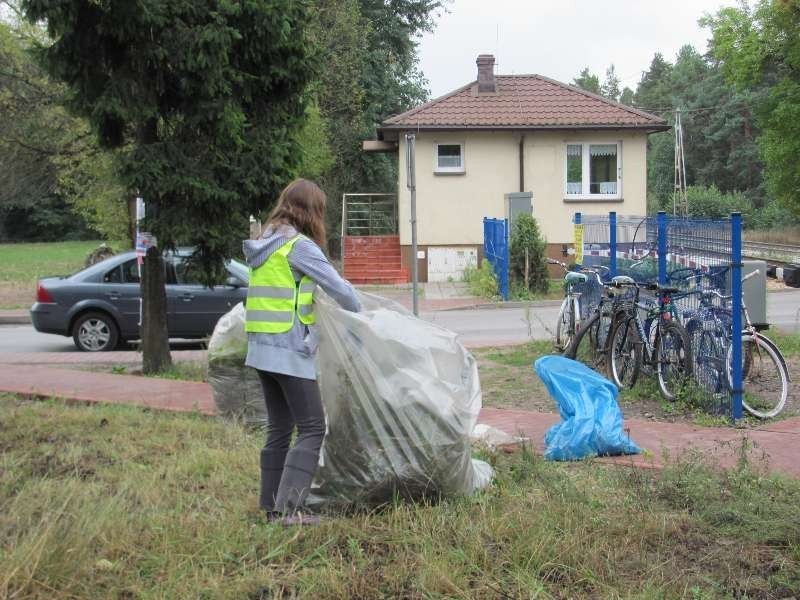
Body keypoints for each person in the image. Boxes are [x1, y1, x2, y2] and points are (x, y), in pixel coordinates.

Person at [243, 179, 360, 526]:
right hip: (288, 348)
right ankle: (289, 511)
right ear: (311, 211)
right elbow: (343, 292)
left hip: (261, 347)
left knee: (279, 428)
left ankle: (271, 507)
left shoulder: (265, 243)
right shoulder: (299, 246)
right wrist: (367, 318)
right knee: (312, 428)